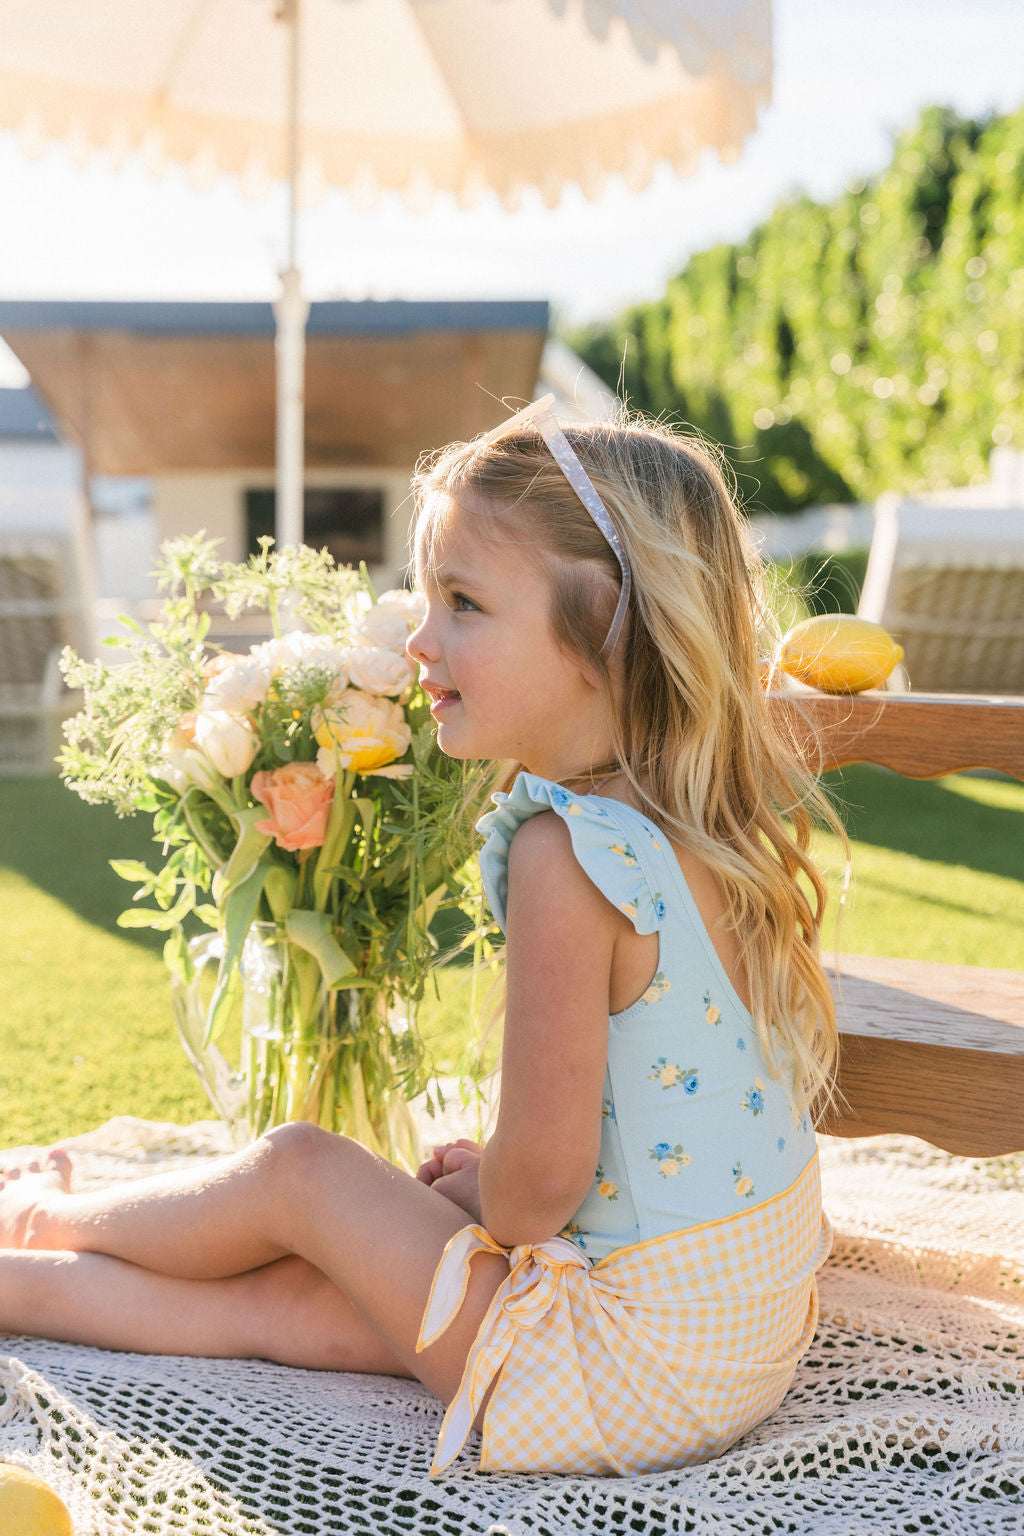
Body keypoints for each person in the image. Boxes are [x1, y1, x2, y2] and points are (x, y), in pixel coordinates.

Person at [0, 397, 839, 1478]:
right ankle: (22, 1278)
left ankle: (48, 1222)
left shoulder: (566, 851)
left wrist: (480, 1186)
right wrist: (482, 1183)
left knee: (299, 1170)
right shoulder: (696, 823)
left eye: (463, 602)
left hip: (616, 1366)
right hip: (732, 1333)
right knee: (306, 1303)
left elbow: (535, 1193)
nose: (418, 638)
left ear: (606, 632)